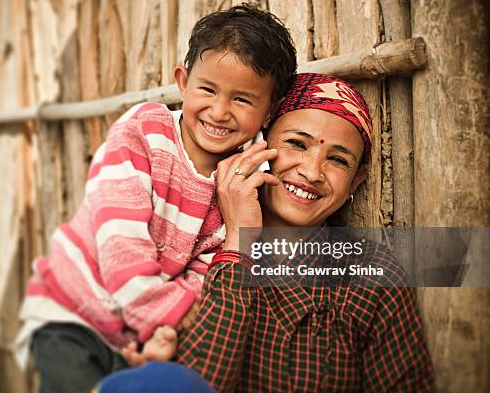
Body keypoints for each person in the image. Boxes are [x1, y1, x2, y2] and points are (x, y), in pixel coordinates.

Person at [14, 4, 297, 392]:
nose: (219, 111)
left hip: (143, 331)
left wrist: (160, 333)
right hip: (75, 311)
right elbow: (119, 246)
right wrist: (166, 319)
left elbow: (206, 271)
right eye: (208, 89)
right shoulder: (143, 133)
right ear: (183, 82)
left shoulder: (239, 178)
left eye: (243, 100)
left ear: (270, 111)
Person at [98, 73, 434, 392]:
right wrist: (237, 244)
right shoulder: (187, 244)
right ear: (257, 144)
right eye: (296, 144)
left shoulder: (371, 278)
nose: (312, 172)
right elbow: (197, 383)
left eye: (338, 160)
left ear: (356, 182)